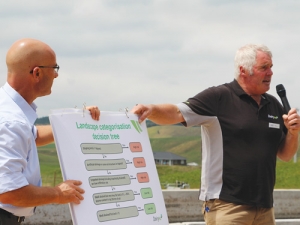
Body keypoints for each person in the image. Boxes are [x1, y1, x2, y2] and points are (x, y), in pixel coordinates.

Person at [131, 44, 300, 225]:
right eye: (263, 68)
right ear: (243, 70)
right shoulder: (219, 97)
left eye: (271, 67)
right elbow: (177, 112)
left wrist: (293, 133)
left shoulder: (273, 104)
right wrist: (151, 109)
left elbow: (286, 154)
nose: (270, 73)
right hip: (227, 207)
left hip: (265, 208)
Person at [0, 38, 100, 224]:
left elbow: (32, 136)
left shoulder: (9, 112)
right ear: (37, 73)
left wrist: (74, 121)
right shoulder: (12, 121)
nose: (56, 75)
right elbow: (8, 192)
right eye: (54, 68)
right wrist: (58, 193)